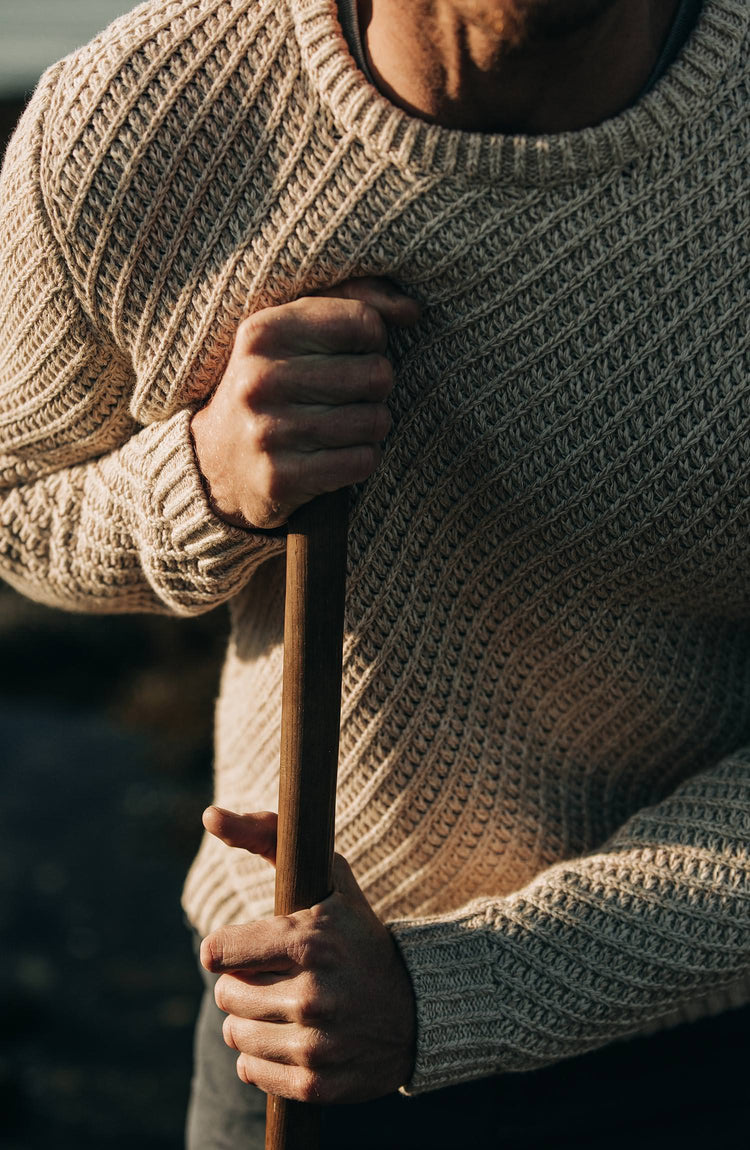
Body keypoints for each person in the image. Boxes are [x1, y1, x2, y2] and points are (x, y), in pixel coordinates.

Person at [0, 0, 747, 1146]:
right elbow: (14, 507)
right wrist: (200, 480)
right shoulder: (138, 119)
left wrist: (459, 992)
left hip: (692, 1028)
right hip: (285, 1018)